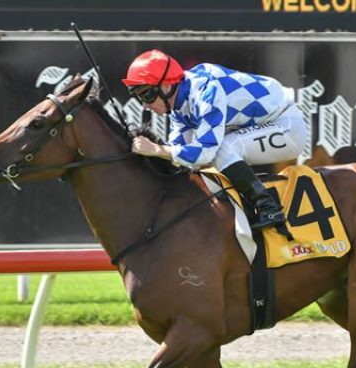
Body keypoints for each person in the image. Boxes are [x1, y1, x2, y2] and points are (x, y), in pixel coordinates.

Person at [122, 49, 307, 231]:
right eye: (140, 98)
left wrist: (156, 150)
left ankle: (268, 206)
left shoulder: (206, 90)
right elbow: (179, 152)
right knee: (199, 160)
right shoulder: (178, 104)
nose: (145, 105)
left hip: (287, 125)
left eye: (146, 95)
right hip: (268, 122)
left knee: (222, 149)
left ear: (165, 87)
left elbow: (204, 152)